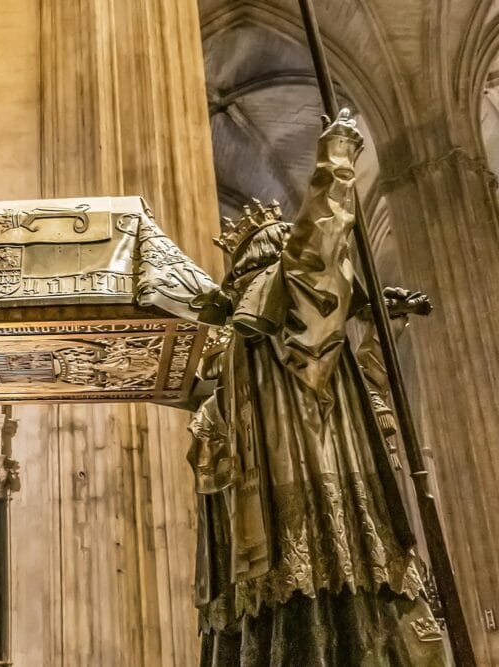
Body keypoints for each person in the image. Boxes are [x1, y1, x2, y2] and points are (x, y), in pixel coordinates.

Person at [189, 110, 446, 665]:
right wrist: (336, 154)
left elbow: (361, 396)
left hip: (272, 540)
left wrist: (379, 325)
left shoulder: (241, 343)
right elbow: (317, 250)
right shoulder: (277, 312)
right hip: (315, 507)